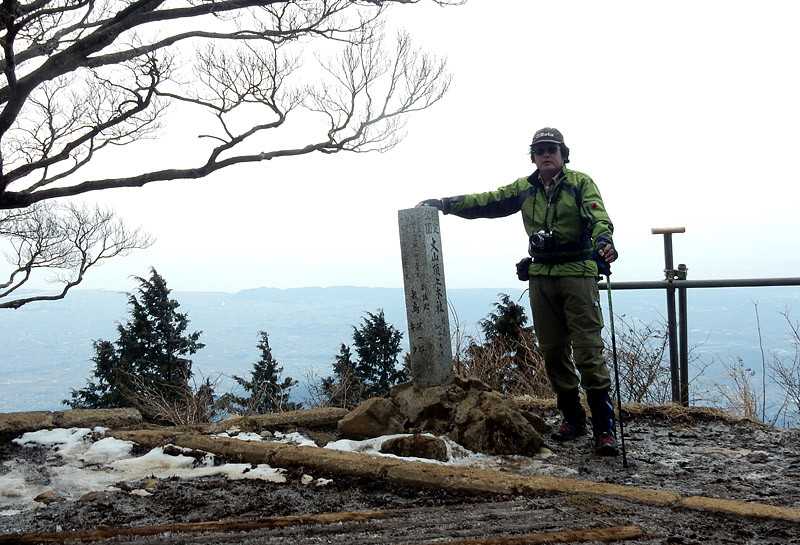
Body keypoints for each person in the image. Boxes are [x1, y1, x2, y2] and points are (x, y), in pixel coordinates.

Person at [417, 127, 619, 456]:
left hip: (577, 273)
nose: (546, 155)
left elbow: (599, 217)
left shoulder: (580, 183)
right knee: (552, 351)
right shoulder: (524, 189)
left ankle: (605, 428)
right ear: (533, 157)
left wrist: (603, 241)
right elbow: (488, 201)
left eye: (552, 149)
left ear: (563, 154)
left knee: (587, 351)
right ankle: (572, 418)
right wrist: (446, 204)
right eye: (540, 150)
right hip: (541, 276)